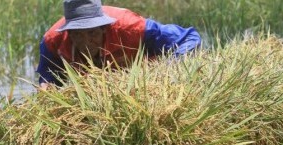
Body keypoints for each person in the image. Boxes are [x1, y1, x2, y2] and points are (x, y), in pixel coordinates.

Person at [36, 0, 201, 89]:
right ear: (69, 32)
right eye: (78, 35)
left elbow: (189, 38)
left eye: (92, 33)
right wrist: (47, 87)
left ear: (103, 28)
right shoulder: (52, 41)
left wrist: (168, 70)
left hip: (142, 80)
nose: (86, 42)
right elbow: (48, 75)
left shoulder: (131, 27)